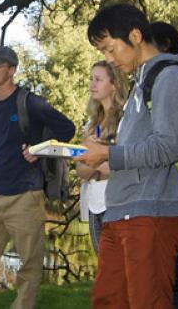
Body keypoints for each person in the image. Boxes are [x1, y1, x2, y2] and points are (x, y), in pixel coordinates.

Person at [77, 5, 178, 309]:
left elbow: (167, 147)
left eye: (110, 49)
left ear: (134, 36)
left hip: (151, 211)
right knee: (107, 301)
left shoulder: (169, 76)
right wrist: (99, 155)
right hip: (119, 211)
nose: (109, 58)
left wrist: (108, 153)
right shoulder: (140, 82)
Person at [0, 45, 77, 309]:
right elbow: (0, 139)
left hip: (26, 196)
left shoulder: (30, 102)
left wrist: (40, 150)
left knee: (29, 266)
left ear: (12, 70)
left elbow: (67, 129)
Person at [76, 60, 129, 250]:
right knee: (106, 272)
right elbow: (80, 169)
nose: (92, 85)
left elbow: (123, 164)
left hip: (119, 204)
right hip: (94, 205)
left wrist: (94, 165)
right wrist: (98, 165)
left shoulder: (127, 120)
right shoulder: (91, 124)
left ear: (114, 84)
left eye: (98, 79)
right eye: (91, 79)